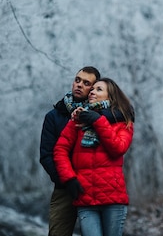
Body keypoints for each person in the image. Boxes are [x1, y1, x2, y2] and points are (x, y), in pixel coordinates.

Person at [54, 77, 135, 236]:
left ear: (110, 97)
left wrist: (98, 120)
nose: (92, 92)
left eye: (99, 89)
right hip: (85, 197)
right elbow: (60, 149)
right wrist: (69, 178)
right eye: (92, 89)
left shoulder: (123, 123)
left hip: (113, 198)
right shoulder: (78, 118)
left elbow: (118, 148)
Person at [40, 66, 101, 236]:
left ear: (94, 89)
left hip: (94, 188)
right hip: (64, 189)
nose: (79, 85)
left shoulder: (101, 114)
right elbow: (46, 156)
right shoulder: (53, 116)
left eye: (86, 83)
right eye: (77, 80)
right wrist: (67, 181)